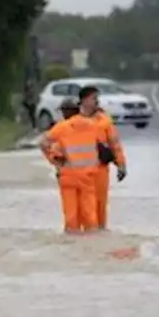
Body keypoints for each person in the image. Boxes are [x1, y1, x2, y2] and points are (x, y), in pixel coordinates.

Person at [40, 96, 102, 234]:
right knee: (90, 214)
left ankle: (72, 238)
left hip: (68, 175)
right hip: (88, 176)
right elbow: (101, 144)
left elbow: (43, 143)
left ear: (66, 112)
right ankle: (94, 241)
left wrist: (53, 160)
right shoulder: (92, 125)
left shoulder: (61, 127)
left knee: (71, 215)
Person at [87, 88, 127, 231]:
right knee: (83, 207)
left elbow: (114, 144)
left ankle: (100, 232)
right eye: (93, 98)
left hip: (100, 170)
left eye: (97, 98)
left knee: (100, 204)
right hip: (79, 172)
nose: (96, 101)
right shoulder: (74, 120)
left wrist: (121, 165)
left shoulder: (104, 121)